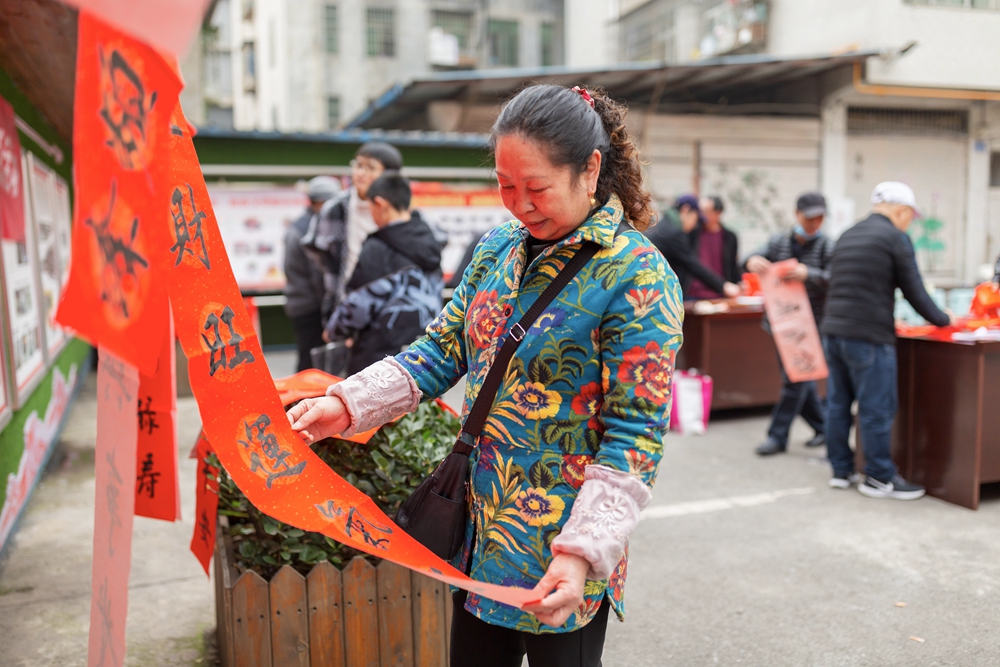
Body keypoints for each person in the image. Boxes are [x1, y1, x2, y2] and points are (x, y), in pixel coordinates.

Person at [287, 83, 683, 667]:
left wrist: (580, 554)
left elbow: (635, 434)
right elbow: (442, 346)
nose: (519, 204)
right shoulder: (498, 248)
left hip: (559, 548)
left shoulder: (639, 276)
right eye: (505, 186)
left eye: (537, 188)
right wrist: (346, 405)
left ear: (590, 170)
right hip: (476, 536)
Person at [821, 181, 952, 499]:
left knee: (838, 404)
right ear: (901, 210)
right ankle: (879, 478)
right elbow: (915, 290)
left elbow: (847, 284)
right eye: (910, 215)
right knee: (876, 408)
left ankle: (842, 470)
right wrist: (945, 320)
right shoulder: (895, 237)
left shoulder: (847, 234)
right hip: (868, 336)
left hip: (834, 331)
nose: (909, 222)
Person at [325, 171, 444, 375]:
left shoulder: (378, 247)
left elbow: (359, 303)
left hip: (381, 359)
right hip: (426, 355)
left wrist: (334, 330)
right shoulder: (429, 239)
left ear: (380, 204)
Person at [744, 192, 835, 456]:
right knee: (798, 378)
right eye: (810, 218)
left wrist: (811, 274)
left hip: (812, 324)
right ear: (797, 215)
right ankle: (824, 427)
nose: (814, 223)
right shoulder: (778, 241)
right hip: (781, 322)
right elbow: (749, 258)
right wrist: (752, 261)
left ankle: (777, 436)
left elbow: (836, 277)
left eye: (819, 218)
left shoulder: (829, 246)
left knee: (795, 380)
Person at [302, 142, 403, 318]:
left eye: (370, 168)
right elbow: (318, 252)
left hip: (393, 307)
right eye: (358, 165)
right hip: (347, 306)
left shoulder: (400, 207)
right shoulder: (335, 208)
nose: (361, 173)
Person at [283, 176, 341, 372]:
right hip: (311, 307)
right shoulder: (310, 228)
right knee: (312, 362)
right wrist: (330, 306)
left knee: (310, 358)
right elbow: (319, 275)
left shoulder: (300, 225)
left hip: (301, 304)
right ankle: (302, 401)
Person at [645, 194, 740, 299]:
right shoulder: (674, 233)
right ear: (685, 210)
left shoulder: (664, 226)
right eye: (696, 218)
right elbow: (692, 264)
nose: (696, 224)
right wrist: (723, 286)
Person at [687, 195, 740, 299]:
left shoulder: (729, 237)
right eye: (700, 211)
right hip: (692, 295)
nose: (701, 215)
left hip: (721, 293)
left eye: (706, 211)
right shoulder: (691, 234)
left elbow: (732, 266)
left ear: (718, 212)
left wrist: (738, 284)